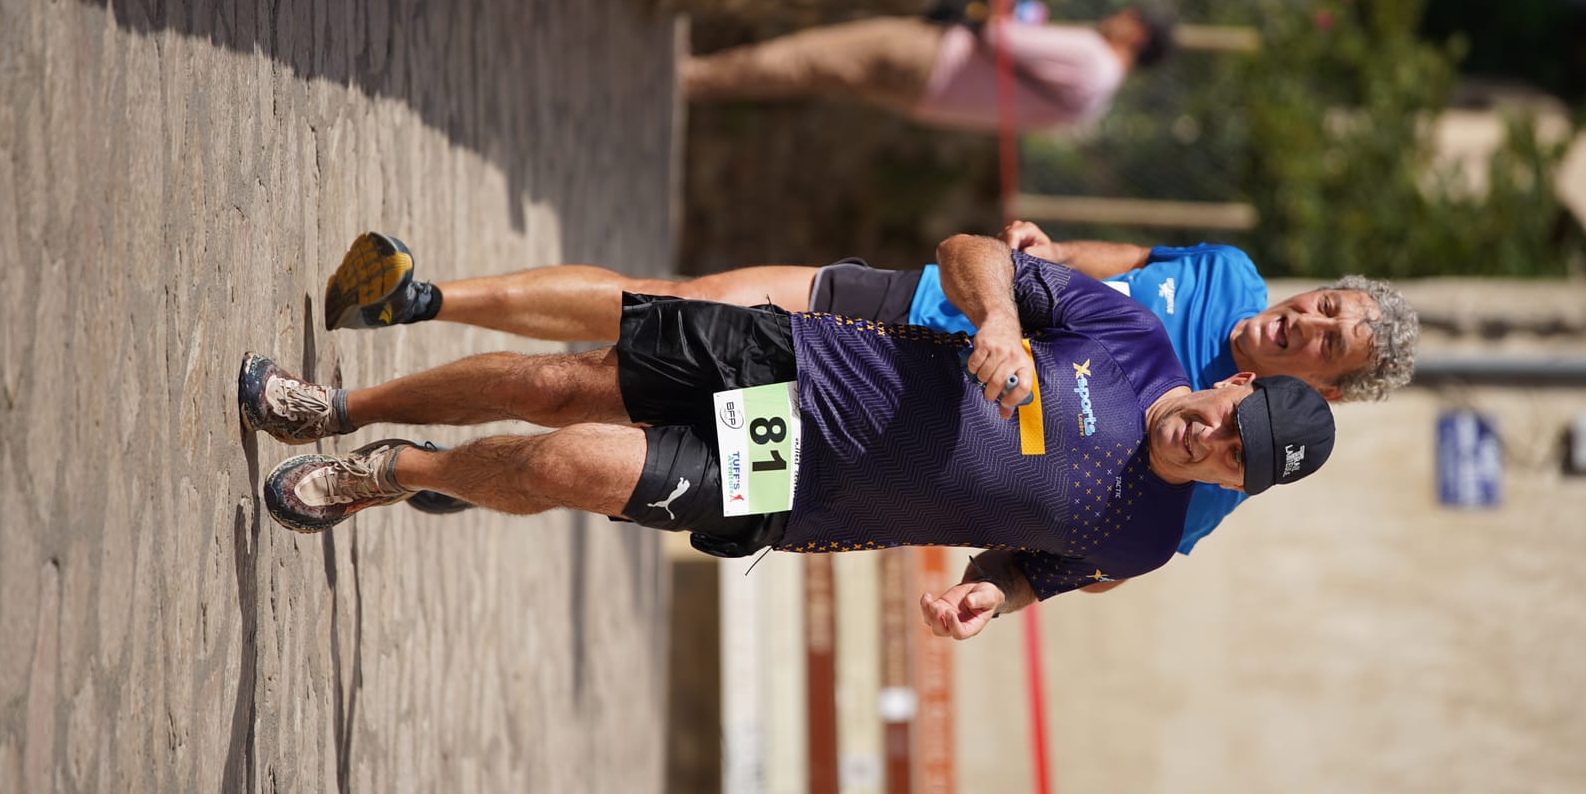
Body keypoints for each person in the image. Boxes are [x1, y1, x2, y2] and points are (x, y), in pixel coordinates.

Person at [243, 236, 1336, 640]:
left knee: (560, 462)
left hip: (795, 482)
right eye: (1231, 424)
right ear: (1235, 385)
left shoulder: (1143, 536)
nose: (1210, 443)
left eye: (1235, 462)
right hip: (799, 362)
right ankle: (340, 408)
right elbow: (972, 251)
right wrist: (998, 319)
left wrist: (986, 600)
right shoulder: (1131, 333)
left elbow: (1029, 568)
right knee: (559, 383)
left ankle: (393, 475)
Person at [319, 222, 1417, 552]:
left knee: (578, 449)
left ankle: (452, 468)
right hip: (895, 320)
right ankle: (426, 301)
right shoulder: (1216, 277)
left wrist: (1001, 591)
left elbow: (1084, 555)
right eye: (1326, 309)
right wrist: (1015, 277)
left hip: (836, 460)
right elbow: (1082, 267)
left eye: (1328, 349)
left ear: (1323, 385)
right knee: (644, 312)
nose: (1309, 327)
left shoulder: (1200, 488)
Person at [681, 2, 1174, 132]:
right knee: (816, 74)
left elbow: (1003, 38)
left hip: (937, 57)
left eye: (1128, 16)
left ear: (1137, 34)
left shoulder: (1092, 56)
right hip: (933, 101)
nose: (1116, 17)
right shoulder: (1095, 103)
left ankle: (696, 77)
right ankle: (708, 82)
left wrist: (984, 9)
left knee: (811, 55)